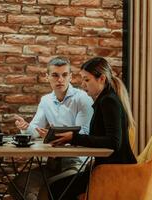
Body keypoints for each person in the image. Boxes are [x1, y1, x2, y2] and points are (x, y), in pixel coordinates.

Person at [49, 57, 137, 200]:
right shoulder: (105, 99)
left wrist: (74, 137)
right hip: (107, 168)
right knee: (56, 186)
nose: (83, 85)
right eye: (82, 80)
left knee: (56, 189)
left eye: (87, 80)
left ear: (101, 79)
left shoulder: (108, 101)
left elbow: (114, 142)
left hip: (114, 171)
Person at [9, 56, 94, 200]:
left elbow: (83, 135)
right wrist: (25, 127)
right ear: (47, 77)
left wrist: (52, 136)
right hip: (53, 164)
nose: (60, 79)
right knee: (17, 185)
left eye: (64, 75)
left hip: (76, 164)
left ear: (71, 77)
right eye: (55, 75)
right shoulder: (46, 100)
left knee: (48, 188)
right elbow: (35, 130)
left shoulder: (83, 99)